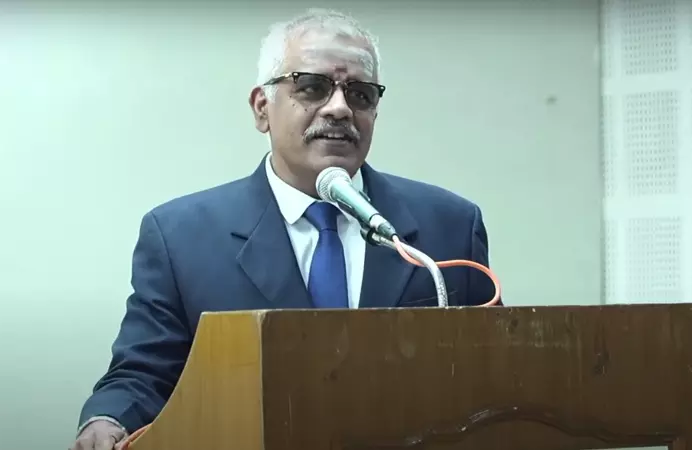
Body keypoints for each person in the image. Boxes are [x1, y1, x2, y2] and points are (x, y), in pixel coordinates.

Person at [69, 8, 499, 450]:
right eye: (311, 87)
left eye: (360, 94)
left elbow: (496, 373)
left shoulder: (449, 226)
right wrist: (107, 419)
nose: (339, 108)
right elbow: (144, 374)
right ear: (262, 108)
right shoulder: (180, 236)